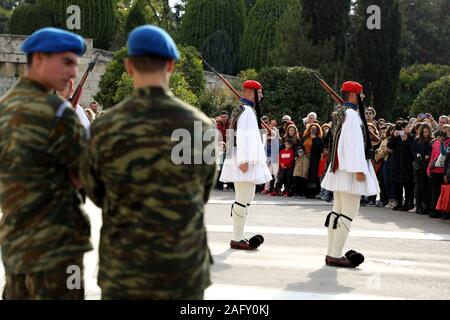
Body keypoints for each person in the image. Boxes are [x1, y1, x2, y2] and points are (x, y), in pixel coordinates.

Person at [80, 25, 216, 299]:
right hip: (183, 266)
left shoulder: (105, 127)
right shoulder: (200, 126)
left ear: (129, 67)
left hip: (125, 268)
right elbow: (202, 191)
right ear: (170, 65)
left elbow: (95, 192)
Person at [0, 27, 91, 299]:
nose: (73, 72)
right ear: (38, 59)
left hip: (16, 244)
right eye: (67, 62)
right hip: (56, 247)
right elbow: (87, 174)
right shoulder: (57, 114)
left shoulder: (5, 107)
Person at [321, 81, 379, 268]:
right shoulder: (352, 116)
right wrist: (360, 169)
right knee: (348, 212)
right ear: (353, 96)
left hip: (339, 169)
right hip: (349, 171)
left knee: (337, 211)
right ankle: (336, 254)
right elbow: (352, 145)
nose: (363, 98)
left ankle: (331, 252)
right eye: (361, 95)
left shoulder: (340, 114)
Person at [220, 80, 272, 250]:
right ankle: (236, 238)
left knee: (247, 198)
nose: (262, 95)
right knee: (243, 199)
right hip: (243, 160)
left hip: (243, 159)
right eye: (260, 92)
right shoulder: (247, 111)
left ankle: (239, 235)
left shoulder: (241, 109)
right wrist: (243, 160)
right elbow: (242, 136)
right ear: (251, 92)